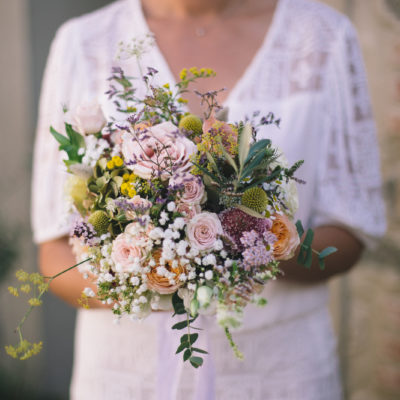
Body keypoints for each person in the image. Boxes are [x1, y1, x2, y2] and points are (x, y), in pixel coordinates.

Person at [32, 0, 386, 399]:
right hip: (127, 375)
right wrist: (148, 279)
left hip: (280, 371)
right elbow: (55, 252)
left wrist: (251, 249)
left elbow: (352, 231)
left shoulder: (324, 37)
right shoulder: (82, 42)